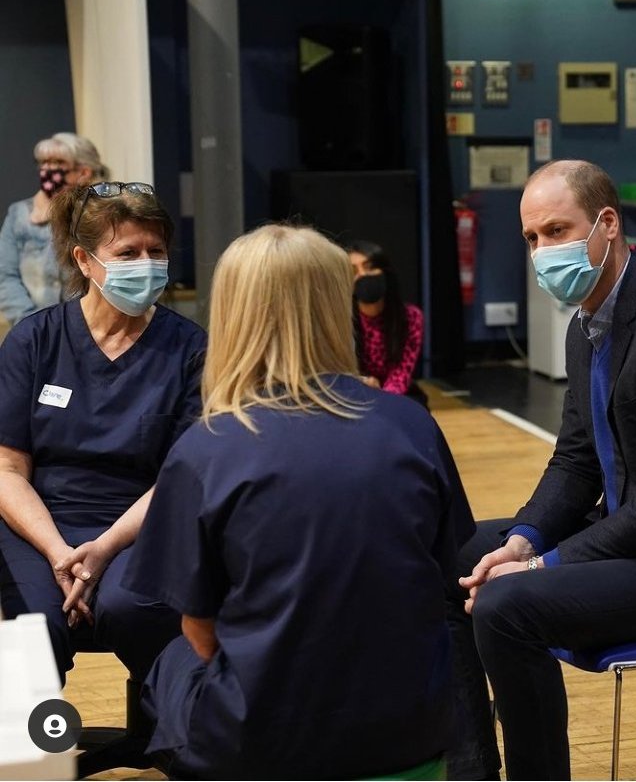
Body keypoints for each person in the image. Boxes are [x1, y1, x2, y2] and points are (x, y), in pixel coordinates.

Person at [122, 223, 475, 780]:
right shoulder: (413, 424)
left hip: (268, 747)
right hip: (411, 732)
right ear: (336, 306)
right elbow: (440, 573)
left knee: (170, 662)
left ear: (233, 314)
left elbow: (200, 632)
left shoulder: (206, 448)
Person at [449, 159, 636, 781]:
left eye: (556, 230)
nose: (543, 251)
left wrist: (540, 567)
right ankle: (473, 767)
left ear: (608, 224)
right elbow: (575, 461)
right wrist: (522, 541)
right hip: (632, 539)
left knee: (504, 606)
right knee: (456, 557)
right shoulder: (586, 327)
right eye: (531, 238)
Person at [0, 181, 207, 687]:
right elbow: (7, 469)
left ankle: (167, 720)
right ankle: (42, 735)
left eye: (156, 251)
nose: (147, 264)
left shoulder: (190, 349)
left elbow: (181, 477)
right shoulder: (35, 340)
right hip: (40, 523)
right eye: (128, 253)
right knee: (36, 622)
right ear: (85, 260)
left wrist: (105, 548)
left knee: (130, 607)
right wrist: (58, 553)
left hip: (142, 526)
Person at [0, 132, 109, 326]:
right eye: (44, 162)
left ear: (84, 172)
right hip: (34, 327)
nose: (48, 169)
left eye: (58, 162)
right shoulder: (19, 214)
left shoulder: (106, 215)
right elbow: (5, 276)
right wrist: (32, 324)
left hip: (93, 326)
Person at [346, 239, 427, 406]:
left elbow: (401, 373)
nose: (362, 275)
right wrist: (363, 383)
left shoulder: (411, 317)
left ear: (384, 271)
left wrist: (383, 400)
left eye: (369, 267)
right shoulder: (342, 320)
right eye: (354, 271)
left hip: (397, 396)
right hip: (355, 395)